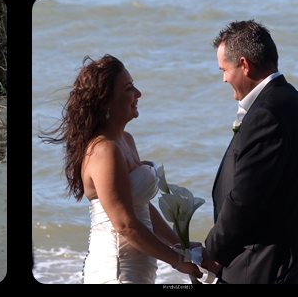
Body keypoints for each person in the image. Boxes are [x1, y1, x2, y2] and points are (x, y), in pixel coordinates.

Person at [39, 55, 202, 283]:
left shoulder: (125, 140)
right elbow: (125, 225)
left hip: (140, 265)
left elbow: (139, 207)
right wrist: (176, 261)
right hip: (116, 268)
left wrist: (178, 244)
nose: (138, 93)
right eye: (128, 89)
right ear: (105, 102)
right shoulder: (104, 150)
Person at [199, 19, 298, 284]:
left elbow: (246, 199)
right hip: (276, 256)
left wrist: (213, 251)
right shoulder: (291, 100)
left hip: (260, 263)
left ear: (244, 64)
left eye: (224, 69)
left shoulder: (267, 114)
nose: (224, 78)